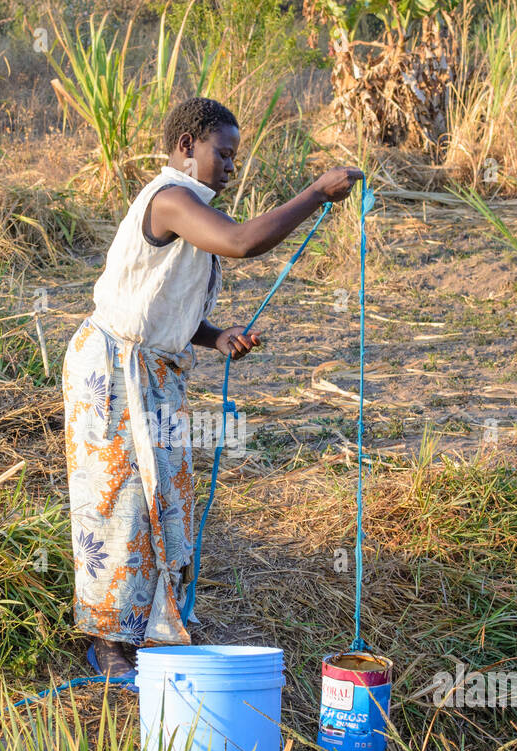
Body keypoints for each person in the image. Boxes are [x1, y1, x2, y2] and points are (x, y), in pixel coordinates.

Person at [63, 96, 363, 677]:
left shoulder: (188, 203)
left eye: (234, 156)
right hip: (113, 369)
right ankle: (107, 641)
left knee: (162, 496)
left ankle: (150, 626)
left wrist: (214, 336)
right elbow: (243, 242)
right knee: (118, 500)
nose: (230, 166)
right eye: (222, 154)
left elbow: (158, 297)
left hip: (153, 367)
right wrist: (316, 194)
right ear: (186, 147)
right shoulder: (172, 198)